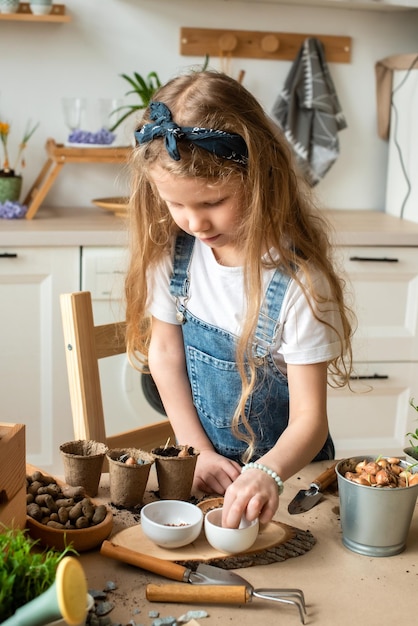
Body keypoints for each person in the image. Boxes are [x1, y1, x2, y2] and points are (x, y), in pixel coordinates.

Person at [124, 70, 354, 529]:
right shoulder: (172, 255)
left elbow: (311, 421)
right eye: (176, 204)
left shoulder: (300, 286)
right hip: (202, 470)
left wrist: (267, 472)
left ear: (260, 175)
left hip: (287, 480)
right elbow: (165, 355)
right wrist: (197, 452)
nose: (194, 222)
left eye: (212, 202)